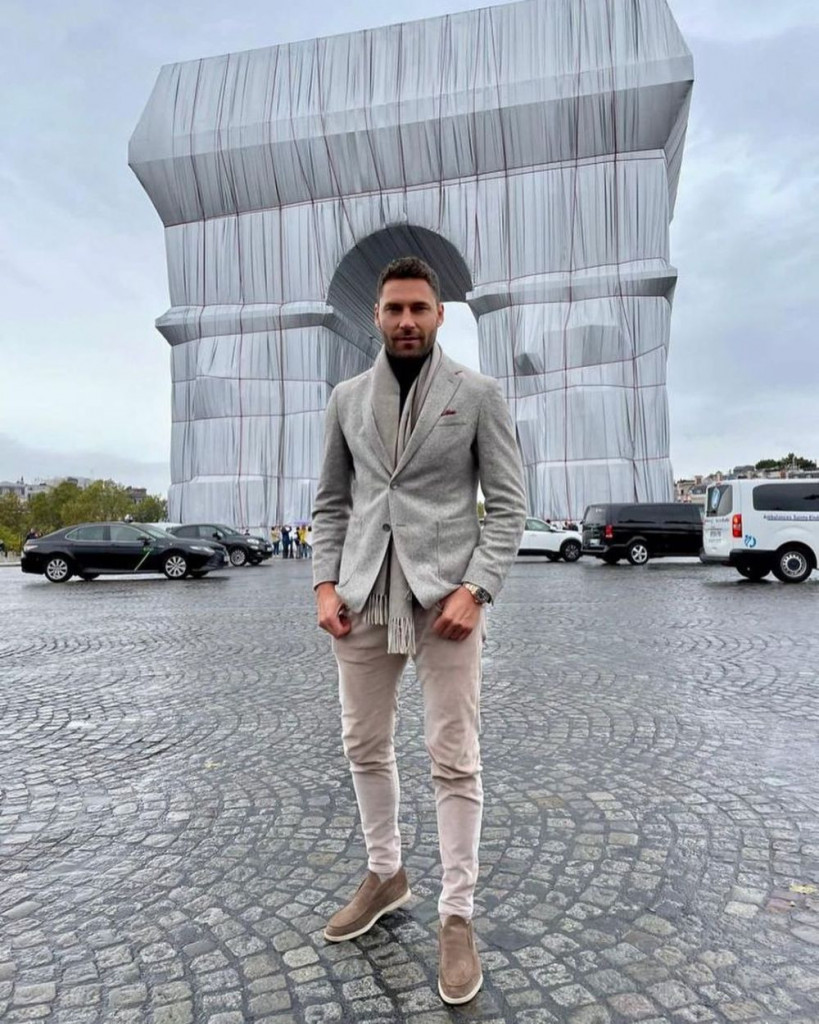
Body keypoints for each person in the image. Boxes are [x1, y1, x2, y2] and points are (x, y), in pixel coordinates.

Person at [312, 256, 526, 1005]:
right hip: (362, 596)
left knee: (454, 759)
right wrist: (323, 582)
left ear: (440, 315)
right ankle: (385, 874)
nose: (406, 321)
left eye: (419, 309)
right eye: (394, 308)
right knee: (363, 745)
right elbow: (331, 502)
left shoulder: (477, 394)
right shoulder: (345, 399)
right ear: (376, 315)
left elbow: (508, 506)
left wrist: (478, 589)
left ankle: (456, 915)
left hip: (446, 605)